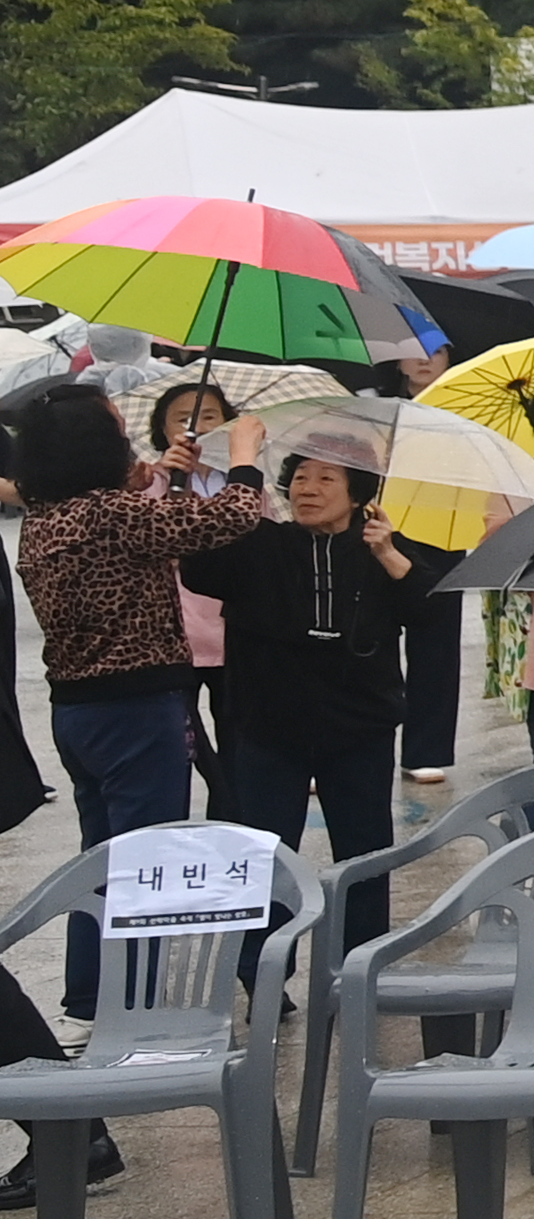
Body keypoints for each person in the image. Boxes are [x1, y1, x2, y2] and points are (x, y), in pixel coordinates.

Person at [9, 375, 265, 1009]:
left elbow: (140, 527)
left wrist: (160, 478)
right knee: (148, 863)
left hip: (76, 710)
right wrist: (244, 461)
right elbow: (228, 516)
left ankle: (91, 996)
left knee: (101, 858)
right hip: (138, 710)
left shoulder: (47, 519)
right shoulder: (112, 515)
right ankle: (139, 1003)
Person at [182, 418, 439, 943]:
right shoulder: (259, 542)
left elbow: (430, 613)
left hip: (360, 728)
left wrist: (390, 555)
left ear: (358, 494)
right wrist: (235, 473)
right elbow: (198, 570)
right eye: (300, 477)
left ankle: (360, 964)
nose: (308, 489)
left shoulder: (383, 547)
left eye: (326, 479)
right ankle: (261, 972)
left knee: (365, 856)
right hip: (268, 728)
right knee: (265, 859)